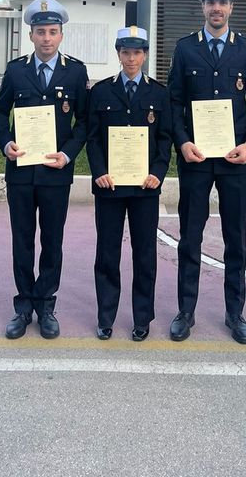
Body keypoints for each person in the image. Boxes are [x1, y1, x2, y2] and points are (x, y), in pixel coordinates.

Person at [168, 0, 246, 343]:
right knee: (190, 236)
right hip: (195, 158)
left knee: (235, 238)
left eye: (223, 1)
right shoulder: (184, 48)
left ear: (231, 7)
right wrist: (181, 142)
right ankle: (186, 311)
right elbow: (174, 102)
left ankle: (235, 313)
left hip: (234, 159)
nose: (217, 8)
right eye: (211, 1)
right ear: (203, 6)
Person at [0, 0, 89, 340]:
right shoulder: (16, 69)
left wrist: (68, 154)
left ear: (61, 35)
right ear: (30, 35)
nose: (46, 38)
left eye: (53, 32)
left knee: (52, 240)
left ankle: (46, 304)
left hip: (55, 173)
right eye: (40, 32)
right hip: (20, 173)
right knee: (22, 240)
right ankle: (23, 306)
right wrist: (6, 144)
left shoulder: (75, 71)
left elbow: (85, 122)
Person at [87, 27, 172, 342]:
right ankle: (106, 316)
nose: (132, 58)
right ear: (118, 54)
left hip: (145, 187)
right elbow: (93, 139)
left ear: (145, 54)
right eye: (126, 52)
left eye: (137, 52)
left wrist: (157, 173)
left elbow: (165, 141)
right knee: (107, 254)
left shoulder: (159, 94)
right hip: (109, 186)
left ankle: (142, 318)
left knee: (144, 254)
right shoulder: (102, 92)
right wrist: (98, 171)